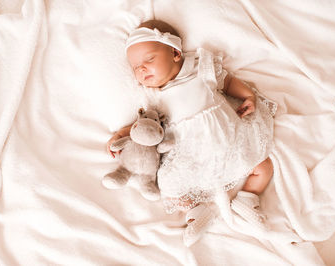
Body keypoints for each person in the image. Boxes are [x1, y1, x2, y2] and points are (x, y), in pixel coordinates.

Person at [106, 20, 277, 246]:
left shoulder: (201, 67)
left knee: (263, 167)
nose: (142, 69)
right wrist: (121, 133)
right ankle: (196, 211)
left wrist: (248, 96)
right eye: (136, 66)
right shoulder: (153, 97)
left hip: (228, 138)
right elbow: (145, 125)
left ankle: (248, 197)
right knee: (170, 187)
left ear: (175, 53)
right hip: (191, 153)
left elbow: (228, 83)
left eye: (149, 60)